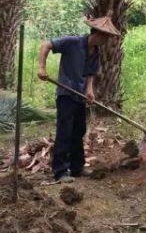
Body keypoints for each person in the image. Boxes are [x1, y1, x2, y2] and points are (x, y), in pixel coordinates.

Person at [38, 13, 120, 182]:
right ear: (97, 34)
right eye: (106, 37)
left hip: (80, 96)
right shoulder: (72, 42)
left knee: (78, 131)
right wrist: (42, 67)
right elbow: (46, 45)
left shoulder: (95, 51)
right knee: (65, 131)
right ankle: (60, 172)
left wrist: (89, 90)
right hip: (66, 95)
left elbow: (90, 73)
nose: (107, 41)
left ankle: (76, 167)